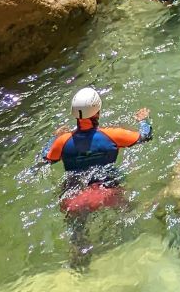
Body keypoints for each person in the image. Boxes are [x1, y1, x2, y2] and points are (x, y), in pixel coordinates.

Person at [39, 88, 152, 217]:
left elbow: (46, 158)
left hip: (74, 197)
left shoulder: (62, 141)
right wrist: (144, 121)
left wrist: (54, 137)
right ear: (97, 111)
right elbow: (145, 136)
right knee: (128, 213)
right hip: (108, 191)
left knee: (77, 232)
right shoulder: (112, 135)